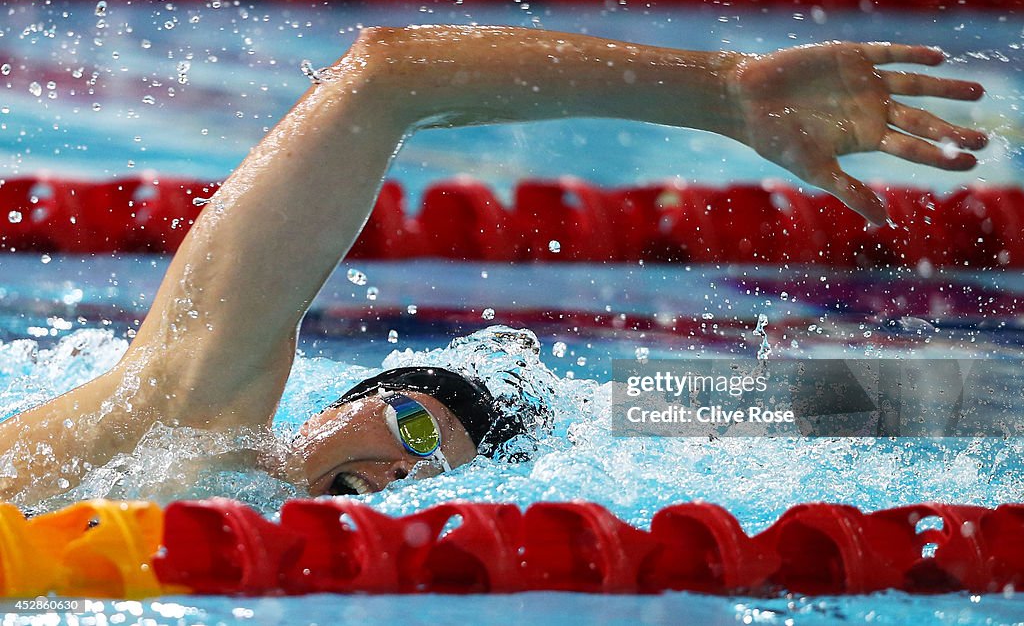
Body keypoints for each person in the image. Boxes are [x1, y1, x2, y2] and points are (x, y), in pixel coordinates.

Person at [0, 25, 988, 505]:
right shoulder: (183, 416)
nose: (394, 469)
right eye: (412, 423)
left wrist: (954, 396)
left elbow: (667, 416)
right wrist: (717, 94)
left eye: (421, 475)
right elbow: (382, 80)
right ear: (343, 399)